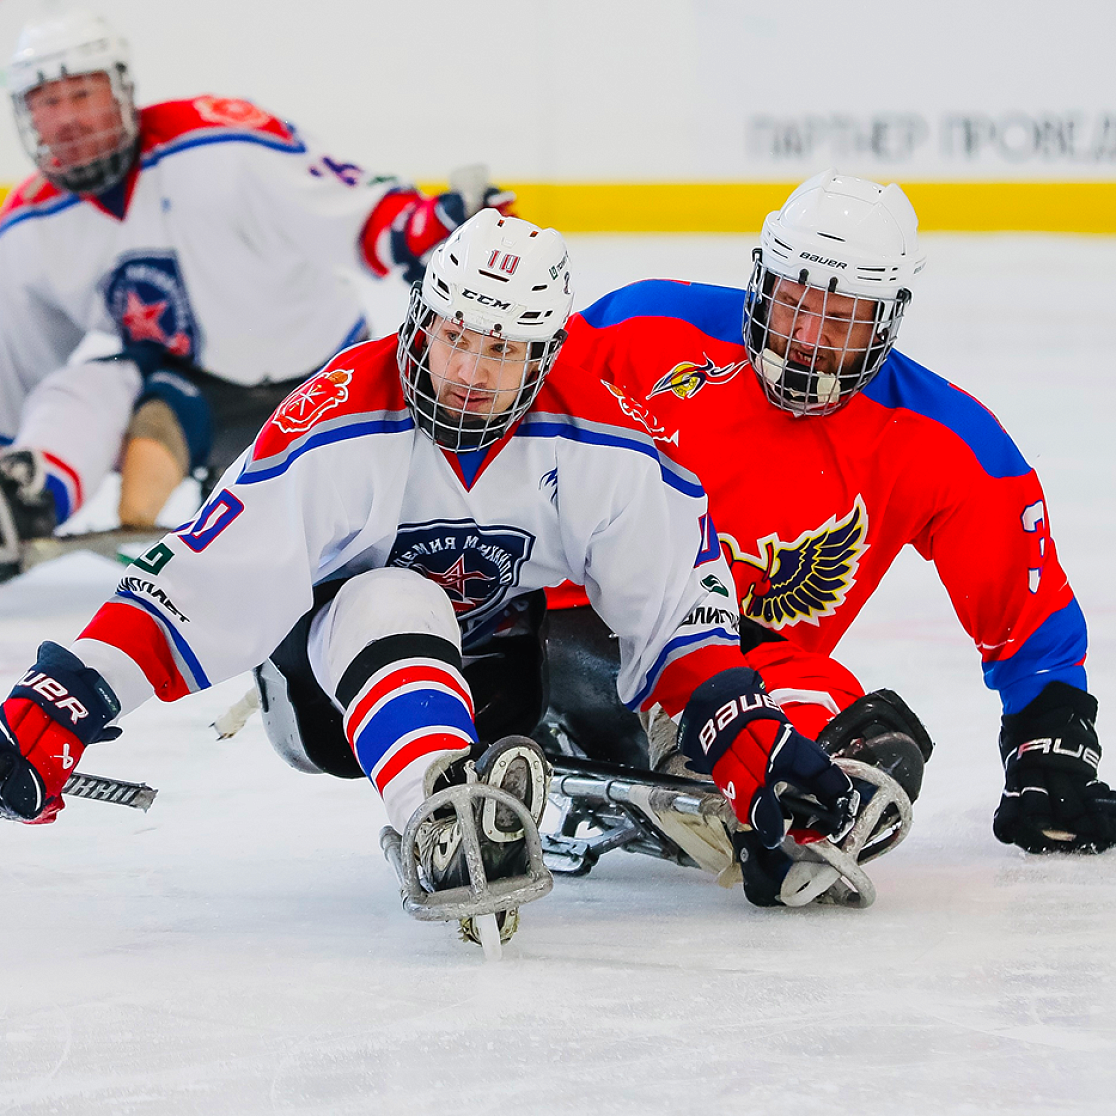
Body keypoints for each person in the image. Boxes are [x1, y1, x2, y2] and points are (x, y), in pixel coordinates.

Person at [0, 210, 865, 938]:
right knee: (393, 595)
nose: (468, 374)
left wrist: (744, 734)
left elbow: (676, 607)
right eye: (455, 337)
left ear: (548, 353)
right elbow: (201, 580)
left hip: (498, 681)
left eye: (502, 350)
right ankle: (439, 818)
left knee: (580, 622)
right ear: (421, 320)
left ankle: (517, 765)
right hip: (322, 695)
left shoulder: (605, 436)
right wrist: (64, 697)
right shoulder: (338, 414)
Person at [551, 168, 1116, 858]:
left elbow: (1024, 607)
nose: (807, 336)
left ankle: (748, 789)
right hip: (574, 620)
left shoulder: (944, 441)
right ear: (763, 280)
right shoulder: (644, 331)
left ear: (887, 318)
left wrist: (1048, 738)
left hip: (747, 665)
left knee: (866, 748)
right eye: (792, 303)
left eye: (841, 318)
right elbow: (498, 426)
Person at [0, 7, 511, 553]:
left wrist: (434, 225)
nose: (67, 120)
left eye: (82, 95)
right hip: (190, 392)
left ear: (122, 93)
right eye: (47, 103)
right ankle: (24, 499)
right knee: (87, 385)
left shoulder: (220, 142)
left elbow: (353, 209)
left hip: (325, 376)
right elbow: (13, 371)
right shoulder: (26, 230)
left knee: (362, 513)